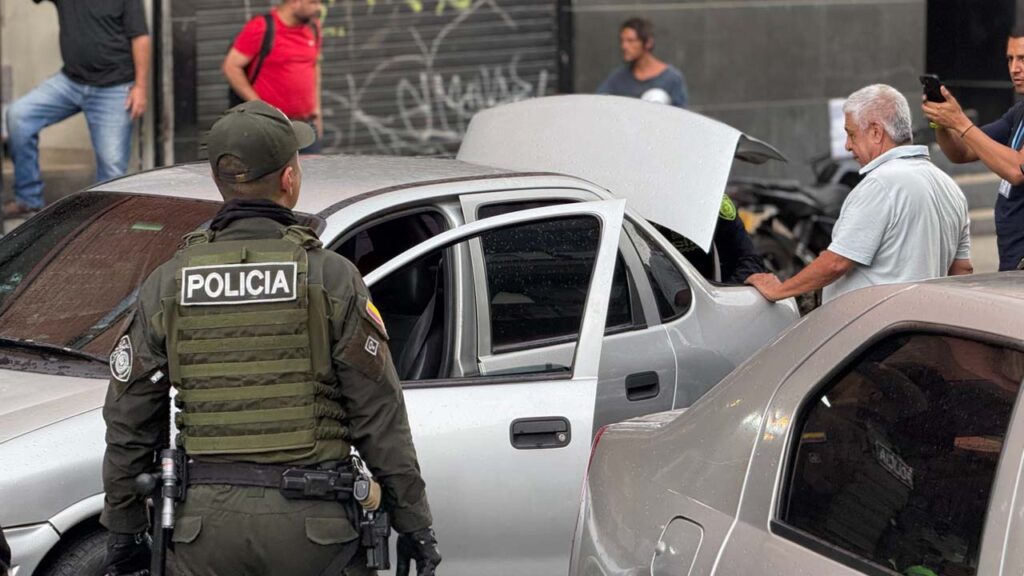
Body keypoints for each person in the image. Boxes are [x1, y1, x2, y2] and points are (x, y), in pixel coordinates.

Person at [99, 101, 441, 576]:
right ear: (288, 178)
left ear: (219, 181)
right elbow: (379, 414)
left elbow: (129, 418)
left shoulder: (170, 282)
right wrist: (414, 522)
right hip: (314, 533)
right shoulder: (330, 277)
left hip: (203, 534)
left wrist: (124, 528)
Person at [746, 84, 973, 304]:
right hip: (925, 323)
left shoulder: (880, 184)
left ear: (876, 132)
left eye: (851, 134)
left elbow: (836, 263)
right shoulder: (950, 188)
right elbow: (962, 270)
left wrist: (779, 290)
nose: (847, 145)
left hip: (876, 326)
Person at [3, 0, 150, 218]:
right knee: (19, 115)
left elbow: (140, 38)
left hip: (114, 87)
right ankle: (28, 200)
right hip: (70, 81)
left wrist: (140, 87)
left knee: (112, 166)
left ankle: (105, 219)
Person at [922, 25, 1024, 272]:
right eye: (1009, 59)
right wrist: (942, 123)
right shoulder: (1019, 111)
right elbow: (962, 152)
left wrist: (960, 121)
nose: (1014, 68)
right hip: (1012, 258)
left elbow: (1016, 170)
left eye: (1022, 59)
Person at [222, 0, 323, 152]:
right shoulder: (261, 27)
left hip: (305, 126)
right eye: (312, 2)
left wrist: (317, 111)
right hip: (268, 126)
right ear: (294, 2)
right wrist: (258, 105)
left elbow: (314, 66)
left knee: (311, 167)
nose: (318, 8)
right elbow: (231, 66)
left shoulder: (313, 27)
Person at [653, 194, 766, 284]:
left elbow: (750, 258)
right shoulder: (651, 211)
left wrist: (727, 293)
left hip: (721, 285)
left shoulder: (717, 204)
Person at [596, 17, 688, 108]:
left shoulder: (672, 79)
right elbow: (598, 102)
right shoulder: (618, 78)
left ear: (648, 43)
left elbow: (681, 114)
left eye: (630, 41)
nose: (624, 46)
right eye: (622, 41)